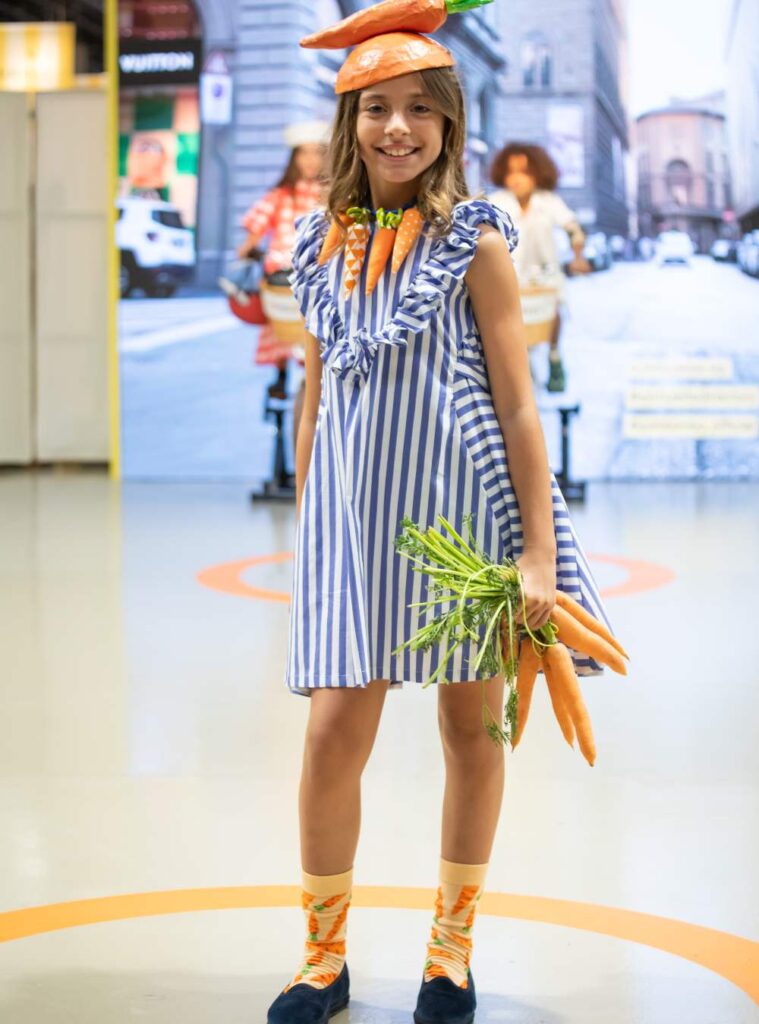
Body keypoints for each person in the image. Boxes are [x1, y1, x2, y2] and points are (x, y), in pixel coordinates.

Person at [270, 3, 614, 1023]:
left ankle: (449, 955)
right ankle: (321, 961)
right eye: (377, 108)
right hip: (355, 525)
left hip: (464, 520)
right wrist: (309, 524)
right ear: (350, 120)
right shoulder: (318, 243)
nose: (397, 129)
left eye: (421, 109)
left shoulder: (476, 239)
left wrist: (540, 554)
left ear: (449, 127)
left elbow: (516, 400)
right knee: (335, 733)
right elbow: (318, 388)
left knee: (471, 725)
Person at [221, 120, 329, 448]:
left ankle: (288, 382)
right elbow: (249, 239)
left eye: (316, 153)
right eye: (303, 154)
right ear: (294, 158)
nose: (310, 161)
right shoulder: (280, 196)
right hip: (284, 288)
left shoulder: (334, 194)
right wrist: (255, 251)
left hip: (318, 287)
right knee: (288, 341)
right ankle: (282, 378)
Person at [489, 143, 591, 393]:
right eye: (511, 172)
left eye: (524, 172)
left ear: (538, 173)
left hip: (546, 274)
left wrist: (579, 255)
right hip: (511, 276)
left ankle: (555, 357)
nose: (517, 179)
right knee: (515, 326)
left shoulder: (549, 202)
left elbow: (572, 228)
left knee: (554, 315)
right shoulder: (497, 201)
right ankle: (523, 371)